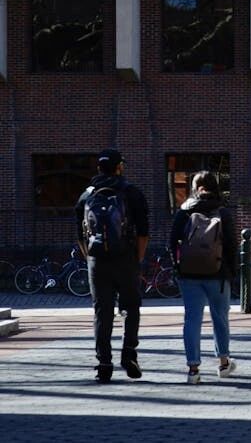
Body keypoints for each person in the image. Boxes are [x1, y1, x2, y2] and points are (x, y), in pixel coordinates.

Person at [75, 148, 149, 384]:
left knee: (102, 312)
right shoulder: (132, 192)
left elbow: (80, 235)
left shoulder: (86, 195)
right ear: (119, 167)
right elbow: (143, 232)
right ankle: (129, 354)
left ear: (99, 168)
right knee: (131, 308)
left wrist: (90, 259)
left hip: (97, 262)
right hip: (126, 259)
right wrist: (137, 258)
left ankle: (104, 363)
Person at [169, 171, 238, 384]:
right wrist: (231, 273)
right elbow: (232, 245)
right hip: (218, 274)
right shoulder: (222, 212)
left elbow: (172, 242)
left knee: (192, 319)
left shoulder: (184, 211)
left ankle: (193, 369)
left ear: (194, 188)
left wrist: (178, 267)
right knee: (220, 318)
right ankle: (224, 363)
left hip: (189, 274)